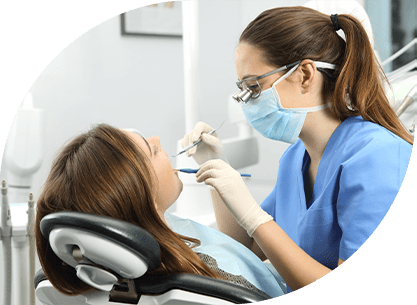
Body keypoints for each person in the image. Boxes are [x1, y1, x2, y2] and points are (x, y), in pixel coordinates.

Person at [180, 6, 414, 293]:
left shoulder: (380, 157)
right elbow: (248, 247)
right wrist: (216, 169)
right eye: (242, 89)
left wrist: (255, 216)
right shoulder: (294, 159)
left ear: (305, 74)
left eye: (254, 87)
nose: (246, 101)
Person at [34, 124, 284, 298]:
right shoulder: (212, 278)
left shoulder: (127, 262)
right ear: (145, 201)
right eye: (152, 150)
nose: (158, 140)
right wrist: (254, 218)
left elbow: (231, 249)